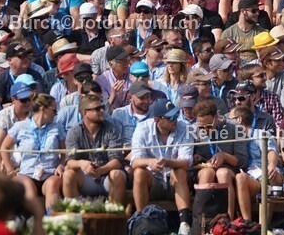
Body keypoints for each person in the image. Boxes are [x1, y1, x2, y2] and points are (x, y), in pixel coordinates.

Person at [129, 98, 194, 235]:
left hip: (173, 180)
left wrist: (167, 162)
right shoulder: (142, 128)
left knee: (180, 171)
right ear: (158, 120)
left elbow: (187, 161)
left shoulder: (185, 128)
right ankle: (143, 220)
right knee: (139, 172)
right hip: (153, 180)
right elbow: (135, 161)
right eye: (171, 117)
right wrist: (150, 162)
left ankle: (184, 224)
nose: (175, 119)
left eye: (176, 115)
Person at [62, 94, 126, 204]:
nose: (102, 111)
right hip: (85, 179)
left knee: (118, 174)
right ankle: (77, 217)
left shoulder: (112, 129)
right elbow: (69, 162)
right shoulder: (74, 132)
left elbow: (117, 161)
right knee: (68, 174)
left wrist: (101, 170)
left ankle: (113, 216)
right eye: (97, 109)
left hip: (107, 177)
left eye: (102, 108)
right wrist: (82, 164)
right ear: (84, 113)